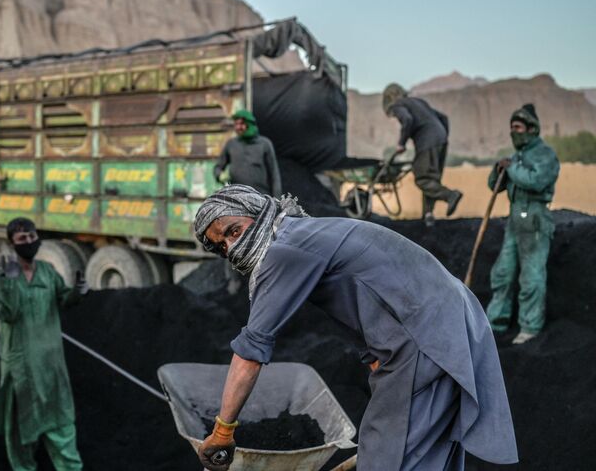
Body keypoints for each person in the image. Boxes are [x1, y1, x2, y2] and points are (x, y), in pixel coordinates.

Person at [193, 184, 517, 471]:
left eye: (233, 231)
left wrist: (223, 431)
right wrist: (372, 352)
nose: (232, 247)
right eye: (221, 246)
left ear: (256, 212)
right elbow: (366, 283)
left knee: (387, 452)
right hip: (445, 323)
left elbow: (252, 349)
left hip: (424, 337)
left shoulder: (284, 252)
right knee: (428, 455)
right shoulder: (305, 232)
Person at [0, 217, 90, 471]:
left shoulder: (48, 271)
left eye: (32, 237)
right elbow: (8, 314)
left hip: (50, 364)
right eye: (22, 239)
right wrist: (8, 283)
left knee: (61, 424)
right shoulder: (5, 277)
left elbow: (63, 299)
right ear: (11, 244)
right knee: (21, 431)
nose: (29, 242)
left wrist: (77, 292)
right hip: (21, 367)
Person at [485, 104, 559, 345]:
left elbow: (536, 181)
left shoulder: (545, 155)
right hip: (514, 219)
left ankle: (529, 327)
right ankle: (495, 323)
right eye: (511, 128)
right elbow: (496, 184)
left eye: (517, 127)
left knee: (532, 274)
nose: (513, 132)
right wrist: (498, 171)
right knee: (503, 273)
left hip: (535, 218)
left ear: (531, 128)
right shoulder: (517, 156)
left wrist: (513, 168)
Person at [383, 83, 462, 226]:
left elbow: (407, 120)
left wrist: (401, 143)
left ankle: (450, 195)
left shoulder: (398, 104)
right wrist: (441, 137)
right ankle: (428, 215)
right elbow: (444, 118)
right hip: (441, 140)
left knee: (422, 179)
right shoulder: (419, 102)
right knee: (431, 179)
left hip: (427, 142)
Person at [214, 109, 282, 197]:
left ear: (250, 124)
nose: (238, 127)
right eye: (236, 124)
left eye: (241, 124)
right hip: (237, 197)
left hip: (260, 197)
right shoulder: (231, 144)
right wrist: (220, 175)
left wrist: (276, 199)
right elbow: (218, 167)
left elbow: (274, 175)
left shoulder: (264, 144)